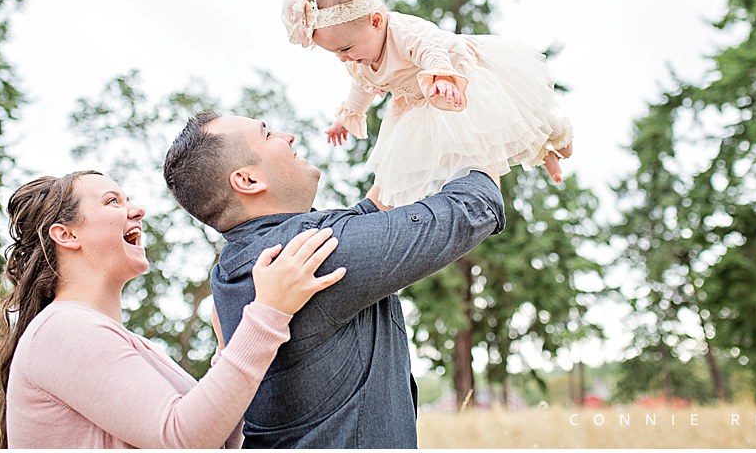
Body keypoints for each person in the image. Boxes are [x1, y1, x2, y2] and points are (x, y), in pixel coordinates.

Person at [163, 111, 505, 448]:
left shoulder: (231, 270)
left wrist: (414, 111)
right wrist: (483, 119)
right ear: (248, 180)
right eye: (267, 134)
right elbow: (472, 208)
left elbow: (374, 209)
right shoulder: (307, 252)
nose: (287, 136)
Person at [0, 170, 345, 449]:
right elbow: (181, 439)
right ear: (66, 235)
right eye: (112, 201)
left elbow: (219, 441)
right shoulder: (63, 329)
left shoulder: (114, 338)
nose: (138, 209)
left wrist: (226, 351)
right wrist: (267, 314)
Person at [281, 0, 574, 207]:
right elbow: (362, 86)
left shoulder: (405, 32)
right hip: (421, 100)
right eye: (336, 53)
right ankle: (386, 208)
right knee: (413, 158)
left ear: (376, 21)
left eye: (346, 48)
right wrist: (346, 118)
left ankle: (556, 137)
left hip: (457, 76)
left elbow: (431, 50)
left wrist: (443, 77)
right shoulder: (356, 58)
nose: (344, 58)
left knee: (513, 121)